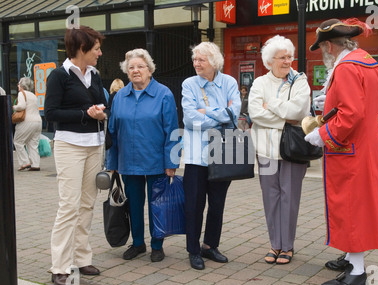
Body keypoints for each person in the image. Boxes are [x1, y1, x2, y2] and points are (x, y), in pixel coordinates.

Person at [305, 18, 378, 285]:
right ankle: (352, 262)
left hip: (349, 149)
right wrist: (328, 102)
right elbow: (364, 106)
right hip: (366, 146)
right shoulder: (368, 63)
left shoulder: (345, 68)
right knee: (360, 206)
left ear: (329, 45)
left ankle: (356, 272)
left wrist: (322, 135)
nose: (323, 54)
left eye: (322, 48)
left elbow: (350, 114)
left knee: (350, 208)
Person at [44, 26, 108, 285]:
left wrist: (102, 112)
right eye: (96, 49)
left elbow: (103, 104)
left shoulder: (94, 74)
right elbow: (51, 113)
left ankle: (82, 258)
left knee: (87, 205)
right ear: (82, 49)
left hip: (94, 145)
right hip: (69, 145)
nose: (100, 53)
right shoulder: (59, 76)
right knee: (69, 206)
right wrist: (86, 114)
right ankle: (59, 266)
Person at [107, 49, 179, 262]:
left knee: (157, 205)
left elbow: (172, 131)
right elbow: (112, 131)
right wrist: (112, 162)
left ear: (149, 69)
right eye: (131, 68)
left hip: (156, 161)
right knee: (134, 206)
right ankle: (138, 243)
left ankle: (157, 244)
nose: (135, 70)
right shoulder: (120, 96)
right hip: (128, 162)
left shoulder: (164, 93)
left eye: (140, 66)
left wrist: (171, 162)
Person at [248, 35, 310, 265]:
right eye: (282, 57)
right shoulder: (260, 83)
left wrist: (271, 106)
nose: (287, 61)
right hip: (265, 150)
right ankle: (275, 244)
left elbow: (298, 111)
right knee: (270, 197)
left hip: (292, 150)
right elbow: (255, 113)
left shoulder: (299, 80)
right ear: (269, 60)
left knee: (290, 197)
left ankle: (288, 246)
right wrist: (283, 117)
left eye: (289, 57)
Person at [181, 42, 241, 270]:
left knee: (217, 204)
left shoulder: (229, 82)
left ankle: (210, 246)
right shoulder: (189, 84)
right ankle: (193, 250)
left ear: (214, 62)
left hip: (223, 153)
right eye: (195, 59)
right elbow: (189, 119)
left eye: (201, 60)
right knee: (194, 205)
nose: (196, 64)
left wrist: (206, 112)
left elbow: (234, 113)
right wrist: (220, 116)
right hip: (197, 156)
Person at [13, 77, 42, 171]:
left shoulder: (21, 93)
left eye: (18, 84)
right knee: (32, 143)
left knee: (18, 141)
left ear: (21, 85)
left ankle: (25, 163)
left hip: (27, 121)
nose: (18, 85)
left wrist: (13, 107)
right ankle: (35, 164)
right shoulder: (33, 95)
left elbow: (22, 106)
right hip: (38, 121)